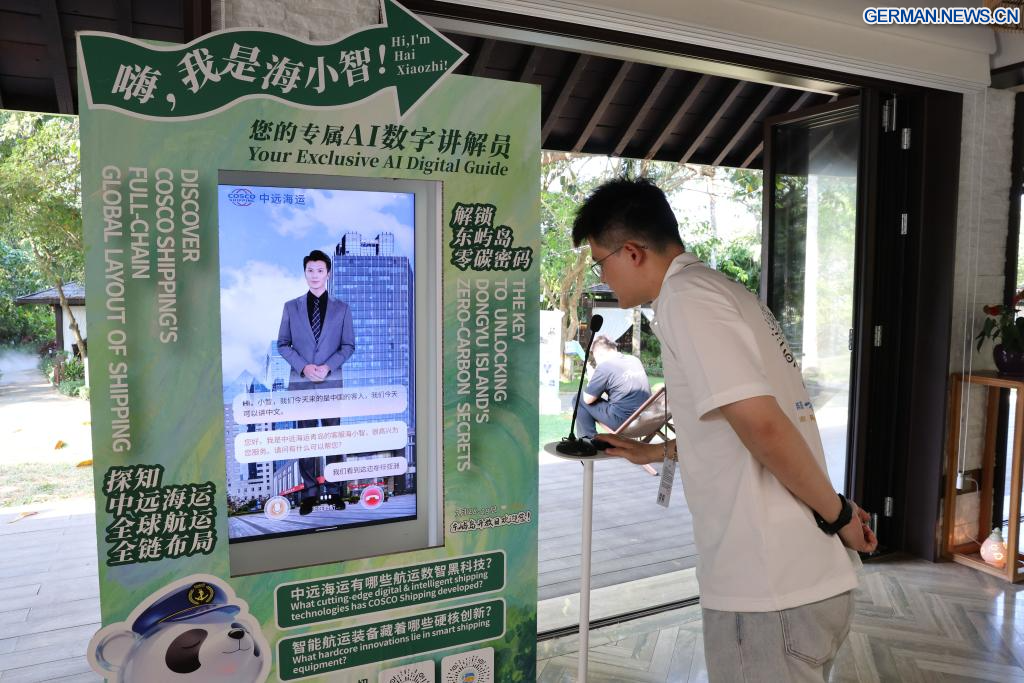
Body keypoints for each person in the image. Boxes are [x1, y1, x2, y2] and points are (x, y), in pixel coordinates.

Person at [571, 177, 877, 682]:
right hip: (799, 582)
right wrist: (655, 453)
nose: (602, 276)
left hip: (768, 591)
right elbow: (739, 429)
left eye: (600, 261)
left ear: (633, 252)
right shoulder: (721, 291)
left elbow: (764, 427)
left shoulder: (686, 299)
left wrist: (840, 514)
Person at [277, 249, 356, 515]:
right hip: (301, 386)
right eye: (310, 270)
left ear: (328, 274)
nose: (314, 275)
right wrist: (304, 367)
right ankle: (309, 494)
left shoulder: (342, 309)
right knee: (307, 441)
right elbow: (282, 344)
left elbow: (348, 346)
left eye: (320, 270)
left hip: (331, 384)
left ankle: (335, 491)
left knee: (333, 439)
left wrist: (327, 367)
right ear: (305, 273)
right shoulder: (291, 307)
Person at [573, 334, 651, 438]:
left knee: (578, 398)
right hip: (647, 419)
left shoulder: (605, 366)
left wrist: (592, 379)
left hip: (625, 422)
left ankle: (588, 440)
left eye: (596, 358)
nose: (597, 363)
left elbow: (587, 399)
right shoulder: (634, 360)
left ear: (599, 354)